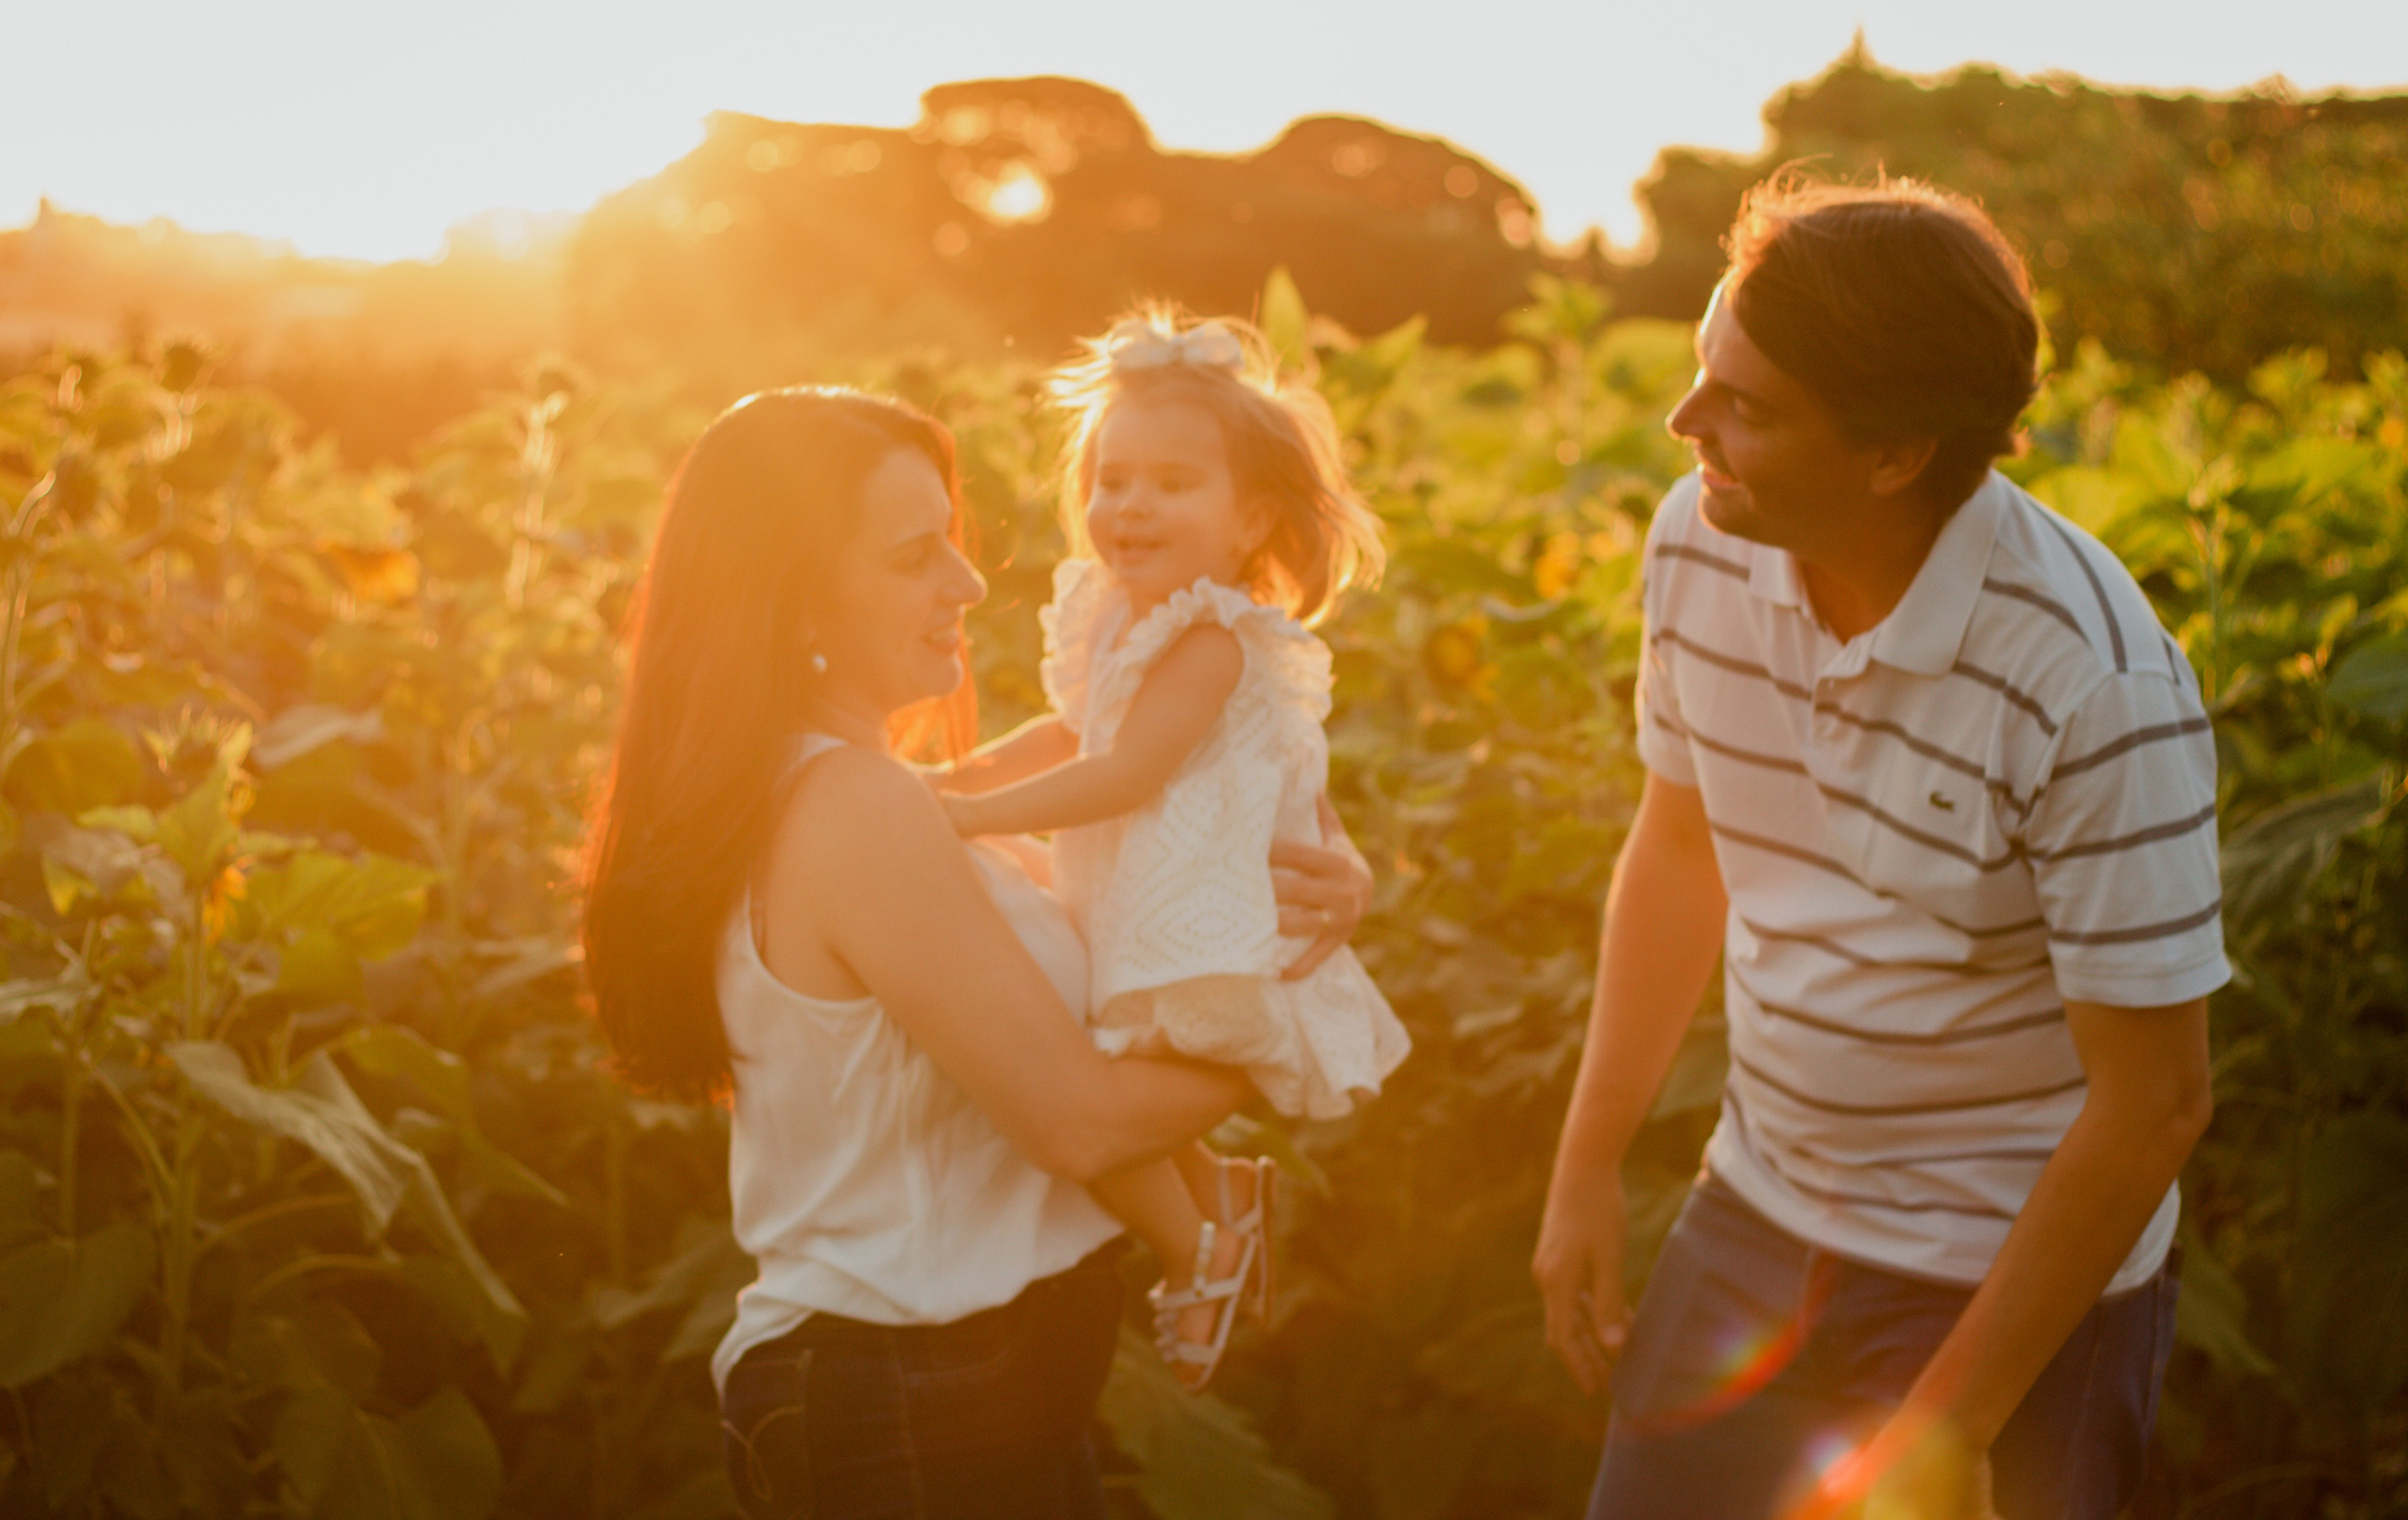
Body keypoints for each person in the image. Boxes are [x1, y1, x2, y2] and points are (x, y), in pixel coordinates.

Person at [1533, 178, 2222, 1520]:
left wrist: (1946, 1422)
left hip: (2011, 1280)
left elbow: (2156, 1102)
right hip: (1757, 1210)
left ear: (1896, 453)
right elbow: (1684, 845)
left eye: (1746, 406)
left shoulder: (2093, 683)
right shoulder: (1701, 538)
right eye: (1701, 371)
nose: (1686, 427)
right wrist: (1588, 1157)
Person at [578, 388, 1373, 1519]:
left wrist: (1328, 891)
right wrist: (1291, 1016)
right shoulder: (851, 808)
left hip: (956, 1395)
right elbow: (1080, 1118)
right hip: (905, 1402)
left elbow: (1126, 945)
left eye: (952, 538)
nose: (966, 582)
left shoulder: (871, 796)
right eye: (914, 556)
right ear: (791, 601)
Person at [937, 310, 1411, 1388]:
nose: (1130, 505)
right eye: (1112, 479)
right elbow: (1075, 732)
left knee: (1100, 1091)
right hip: (1132, 887)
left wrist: (966, 819)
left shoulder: (1212, 638)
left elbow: (1124, 774)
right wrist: (963, 777)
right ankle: (1223, 1204)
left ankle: (1195, 1246)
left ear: (1251, 519)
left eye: (1172, 484)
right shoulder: (1120, 614)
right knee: (1117, 1066)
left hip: (1201, 900)